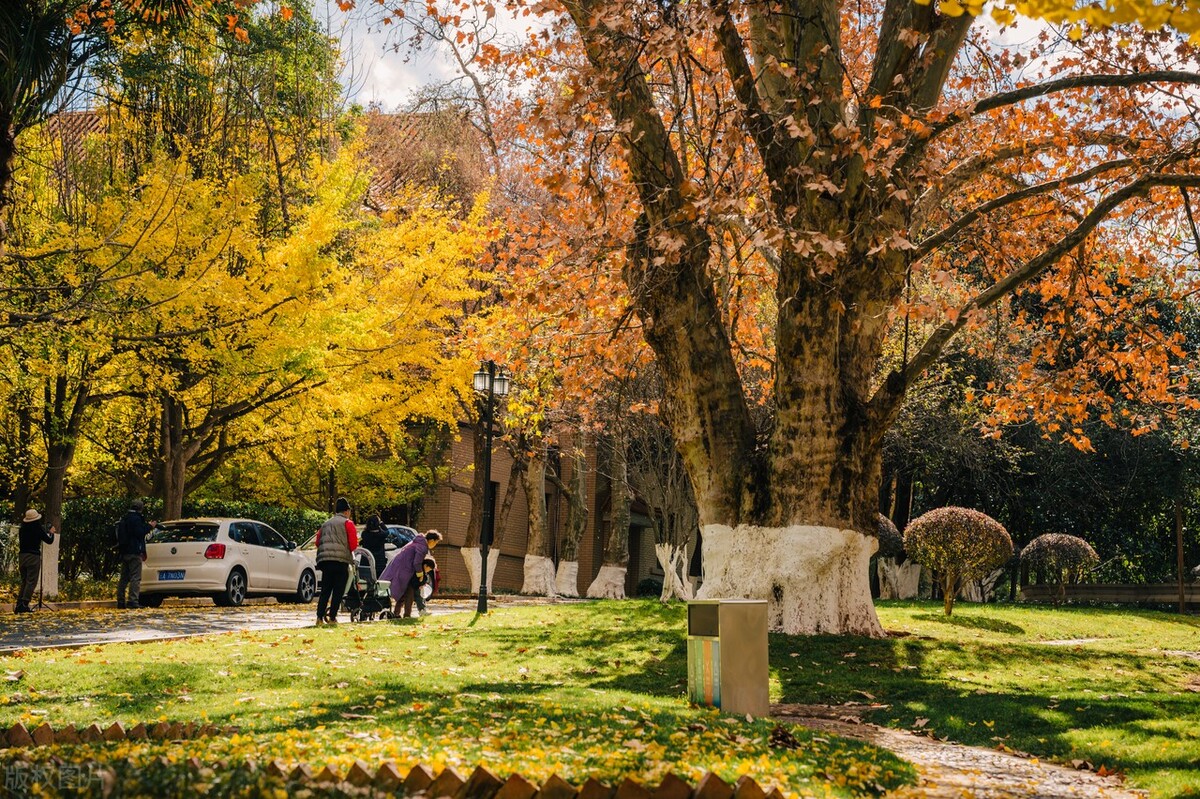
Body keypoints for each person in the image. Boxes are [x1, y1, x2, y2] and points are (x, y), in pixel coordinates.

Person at [314, 497, 357, 626]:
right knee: (338, 590)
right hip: (340, 561)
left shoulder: (325, 524)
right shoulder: (348, 523)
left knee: (325, 590)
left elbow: (317, 542)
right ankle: (332, 617)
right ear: (347, 511)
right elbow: (353, 545)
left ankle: (319, 618)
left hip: (325, 561)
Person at [381, 530, 441, 618]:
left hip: (401, 568)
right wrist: (420, 575)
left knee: (404, 594)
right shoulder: (422, 547)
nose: (435, 545)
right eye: (436, 542)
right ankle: (406, 615)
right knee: (410, 593)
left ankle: (397, 613)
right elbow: (417, 562)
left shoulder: (417, 542)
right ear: (431, 540)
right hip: (405, 570)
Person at [116, 499, 157, 610]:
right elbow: (139, 532)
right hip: (134, 551)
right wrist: (150, 526)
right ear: (140, 508)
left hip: (124, 551)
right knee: (135, 577)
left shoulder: (125, 518)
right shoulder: (136, 519)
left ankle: (120, 601)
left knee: (124, 578)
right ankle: (133, 601)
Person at [16, 509, 56, 614]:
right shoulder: (37, 528)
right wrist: (51, 533)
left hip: (22, 556)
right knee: (31, 581)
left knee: (24, 580)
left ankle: (19, 604)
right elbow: (49, 541)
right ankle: (25, 604)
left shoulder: (22, 529)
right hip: (33, 556)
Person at [360, 514, 388, 578]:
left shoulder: (364, 534)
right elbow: (387, 531)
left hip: (366, 564)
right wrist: (381, 523)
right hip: (379, 565)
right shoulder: (382, 535)